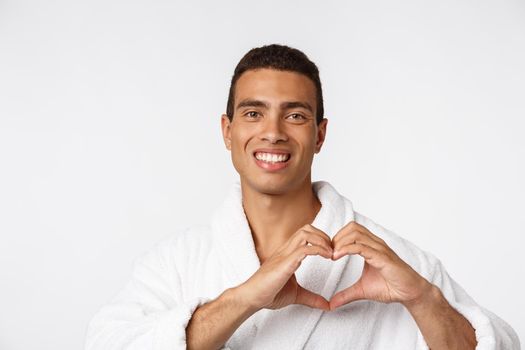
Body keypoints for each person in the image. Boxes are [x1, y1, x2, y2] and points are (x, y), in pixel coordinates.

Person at [85, 44, 519, 350]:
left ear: (320, 135)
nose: (272, 132)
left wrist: (424, 299)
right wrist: (246, 296)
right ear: (227, 131)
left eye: (295, 115)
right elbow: (106, 344)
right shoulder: (177, 262)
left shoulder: (394, 264)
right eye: (253, 113)